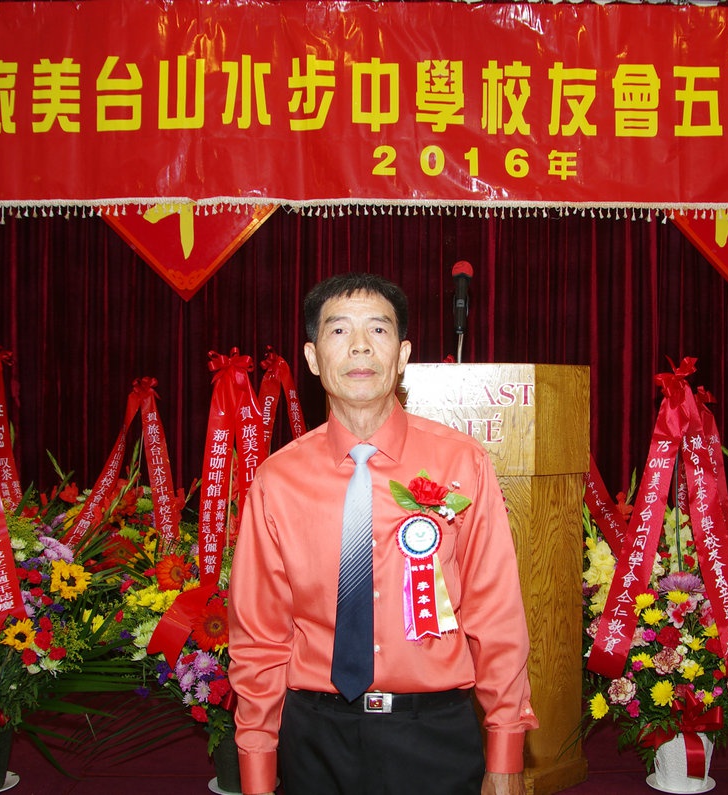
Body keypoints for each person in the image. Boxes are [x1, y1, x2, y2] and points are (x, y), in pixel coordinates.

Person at [228, 272, 538, 795]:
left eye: (377, 329)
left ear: (402, 354)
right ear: (312, 358)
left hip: (435, 733)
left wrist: (505, 750)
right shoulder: (277, 480)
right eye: (338, 330)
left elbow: (496, 613)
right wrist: (257, 768)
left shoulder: (462, 462)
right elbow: (259, 637)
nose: (359, 346)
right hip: (316, 736)